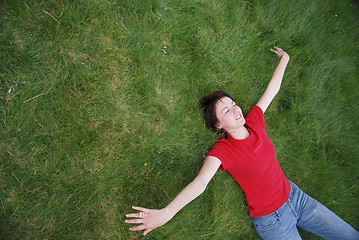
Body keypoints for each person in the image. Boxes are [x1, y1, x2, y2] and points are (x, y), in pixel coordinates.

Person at [125, 47, 359, 239]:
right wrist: (167, 212)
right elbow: (201, 182)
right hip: (273, 220)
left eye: (233, 103)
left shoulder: (254, 121)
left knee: (349, 235)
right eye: (227, 110)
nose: (236, 109)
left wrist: (285, 59)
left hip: (296, 197)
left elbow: (272, 90)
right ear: (218, 125)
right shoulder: (223, 151)